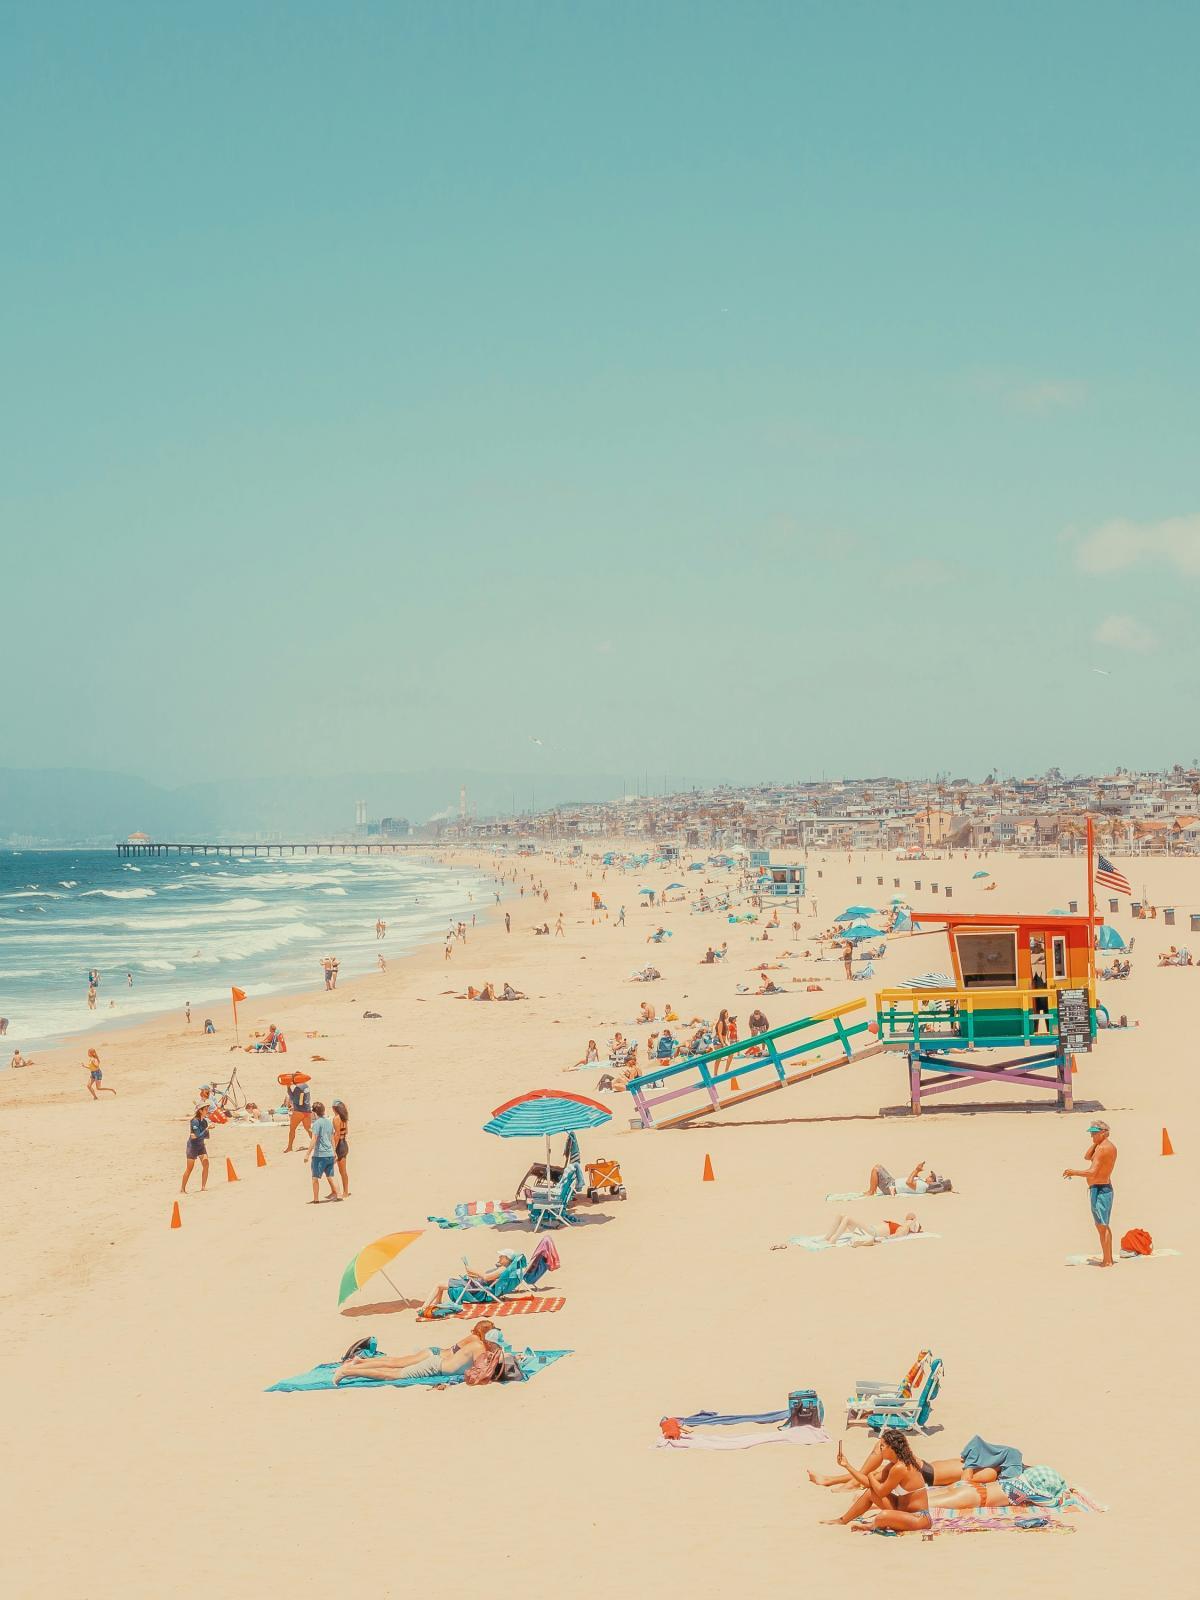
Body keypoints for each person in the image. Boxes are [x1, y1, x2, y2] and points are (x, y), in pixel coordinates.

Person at [821, 1430, 931, 1530]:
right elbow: (870, 1485)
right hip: (902, 1511)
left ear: (892, 1447)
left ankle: (870, 1527)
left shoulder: (899, 1467)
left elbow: (881, 1492)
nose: (880, 1449)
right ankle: (843, 1520)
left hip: (919, 1518)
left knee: (882, 1517)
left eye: (882, 1446)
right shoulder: (893, 1465)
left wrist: (871, 1476)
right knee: (870, 1492)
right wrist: (847, 1465)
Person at [333, 1320, 497, 1385]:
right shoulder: (476, 1342)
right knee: (394, 1369)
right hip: (435, 1358)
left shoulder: (477, 1342)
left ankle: (358, 1363)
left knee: (394, 1364)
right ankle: (350, 1369)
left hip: (437, 1356)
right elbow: (477, 1371)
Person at [1063, 1119, 1117, 1266]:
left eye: (1094, 1134)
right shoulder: (1102, 1146)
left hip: (1101, 1189)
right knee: (1101, 1225)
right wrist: (1096, 1141)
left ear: (1104, 1133)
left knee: (1102, 1226)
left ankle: (1107, 1261)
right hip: (1099, 1188)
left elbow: (1092, 1173)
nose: (1091, 1136)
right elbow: (1087, 1157)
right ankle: (1108, 1259)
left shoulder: (1103, 1148)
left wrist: (1073, 1172)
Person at [420, 1253, 518, 1316]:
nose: (499, 1257)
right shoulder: (503, 1269)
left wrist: (473, 1271)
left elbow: (487, 1278)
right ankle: (437, 1302)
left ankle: (424, 1307)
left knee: (439, 1284)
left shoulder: (503, 1269)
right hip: (477, 1284)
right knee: (441, 1285)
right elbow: (486, 1277)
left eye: (501, 1256)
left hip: (478, 1289)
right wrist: (473, 1273)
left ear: (507, 1259)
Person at [306, 1100, 342, 1203]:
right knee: (331, 1176)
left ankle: (316, 1199)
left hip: (319, 1155)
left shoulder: (317, 1123)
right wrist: (334, 1152)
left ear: (314, 1112)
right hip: (330, 1153)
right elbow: (331, 1138)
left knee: (315, 1178)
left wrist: (307, 1154)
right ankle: (339, 1195)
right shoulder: (328, 1122)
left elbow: (314, 1139)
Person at [823, 1212, 923, 1246]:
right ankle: (828, 1237)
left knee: (847, 1218)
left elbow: (896, 1236)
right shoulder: (902, 1226)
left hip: (872, 1232)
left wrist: (882, 1240)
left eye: (911, 1221)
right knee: (841, 1215)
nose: (909, 1220)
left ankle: (833, 1240)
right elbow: (910, 1215)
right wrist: (912, 1220)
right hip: (869, 1229)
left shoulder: (903, 1229)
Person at [181, 1107, 211, 1192]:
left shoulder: (204, 1121)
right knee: (189, 1169)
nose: (207, 1111)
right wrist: (206, 1129)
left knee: (206, 1164)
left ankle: (203, 1187)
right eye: (205, 1109)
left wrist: (207, 1130)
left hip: (201, 1145)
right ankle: (182, 1189)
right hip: (192, 1147)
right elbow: (195, 1136)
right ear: (200, 1111)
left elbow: (206, 1136)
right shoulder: (194, 1121)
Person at [283, 1075, 313, 1153]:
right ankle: (318, 1145)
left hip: (299, 1111)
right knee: (308, 1129)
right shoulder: (306, 1086)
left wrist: (288, 1088)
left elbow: (293, 1099)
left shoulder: (298, 1088)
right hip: (307, 1110)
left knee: (292, 1129)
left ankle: (289, 1147)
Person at [332, 1099, 350, 1198]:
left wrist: (334, 1149)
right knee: (343, 1171)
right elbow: (345, 1131)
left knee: (340, 1171)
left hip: (339, 1145)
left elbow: (337, 1134)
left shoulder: (336, 1119)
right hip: (345, 1144)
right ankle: (345, 1191)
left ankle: (344, 1192)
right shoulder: (345, 1117)